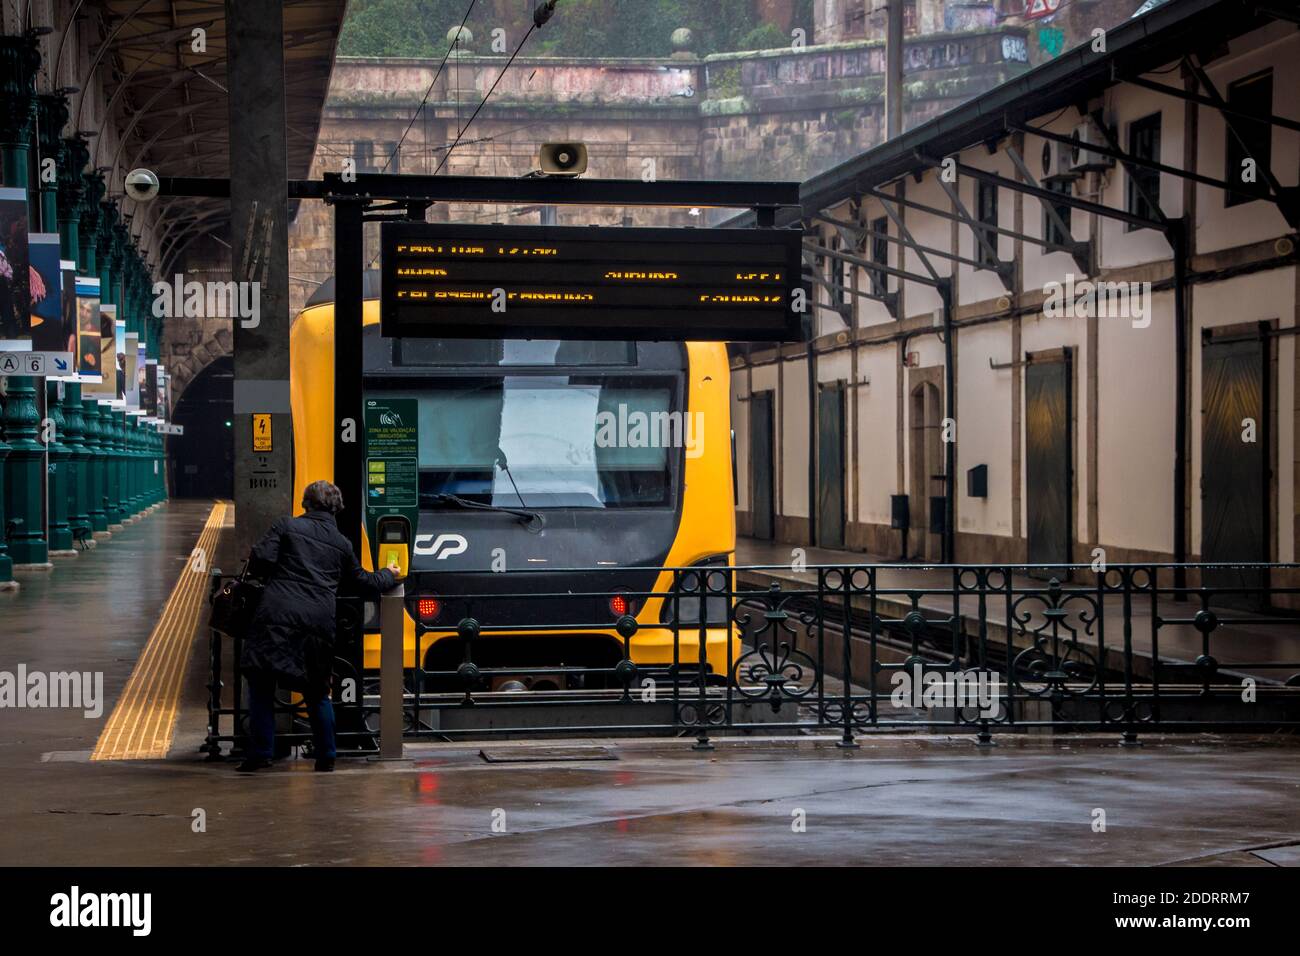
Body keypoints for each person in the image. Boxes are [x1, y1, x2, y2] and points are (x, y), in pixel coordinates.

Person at [237, 480, 402, 773]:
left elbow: (261, 558)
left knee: (261, 686)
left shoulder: (286, 526)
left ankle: (260, 753)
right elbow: (364, 582)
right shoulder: (341, 544)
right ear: (336, 509)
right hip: (318, 623)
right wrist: (388, 574)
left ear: (305, 503)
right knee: (316, 692)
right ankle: (326, 755)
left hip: (276, 615)